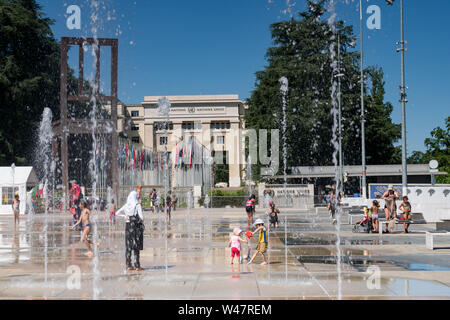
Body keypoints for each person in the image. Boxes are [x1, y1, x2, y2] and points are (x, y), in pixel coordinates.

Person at [116, 190, 145, 271]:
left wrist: (125, 216)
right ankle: (137, 265)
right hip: (136, 227)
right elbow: (142, 218)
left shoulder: (126, 205)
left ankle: (128, 265)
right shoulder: (137, 205)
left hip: (128, 226)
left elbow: (117, 213)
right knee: (136, 246)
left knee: (128, 246)